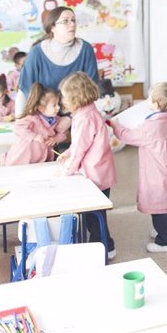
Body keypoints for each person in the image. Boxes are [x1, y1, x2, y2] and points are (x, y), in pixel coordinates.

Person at [110, 82, 167, 253]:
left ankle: (165, 241)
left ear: (155, 104)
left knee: (158, 205)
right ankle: (164, 230)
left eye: (149, 98)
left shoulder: (151, 128)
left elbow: (128, 136)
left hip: (156, 174)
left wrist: (116, 126)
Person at [57, 72, 116, 260]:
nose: (63, 101)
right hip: (100, 171)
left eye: (65, 98)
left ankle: (106, 248)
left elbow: (80, 150)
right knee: (96, 215)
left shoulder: (84, 117)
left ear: (76, 97)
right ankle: (104, 244)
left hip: (94, 175)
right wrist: (67, 153)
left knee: (94, 216)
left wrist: (66, 171)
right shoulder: (88, 111)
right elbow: (82, 145)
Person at [15, 7, 98, 117]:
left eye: (73, 20)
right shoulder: (37, 53)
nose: (72, 24)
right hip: (43, 120)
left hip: (78, 118)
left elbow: (91, 92)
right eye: (65, 21)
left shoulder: (86, 49)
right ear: (52, 27)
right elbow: (24, 91)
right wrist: (20, 121)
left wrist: (69, 119)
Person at [2, 83, 70, 166]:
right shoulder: (31, 118)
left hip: (40, 160)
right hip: (21, 159)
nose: (58, 108)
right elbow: (18, 128)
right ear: (41, 108)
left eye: (58, 104)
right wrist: (35, 136)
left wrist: (56, 139)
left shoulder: (56, 120)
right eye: (54, 105)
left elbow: (64, 133)